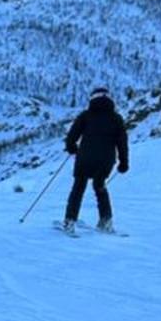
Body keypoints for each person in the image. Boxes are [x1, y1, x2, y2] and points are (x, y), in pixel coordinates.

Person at [63, 85, 129, 232]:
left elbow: (71, 137)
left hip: (85, 158)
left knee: (78, 188)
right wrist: (123, 162)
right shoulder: (116, 118)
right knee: (100, 187)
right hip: (106, 160)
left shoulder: (85, 116)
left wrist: (72, 148)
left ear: (92, 99)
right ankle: (106, 221)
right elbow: (122, 143)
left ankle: (70, 221)